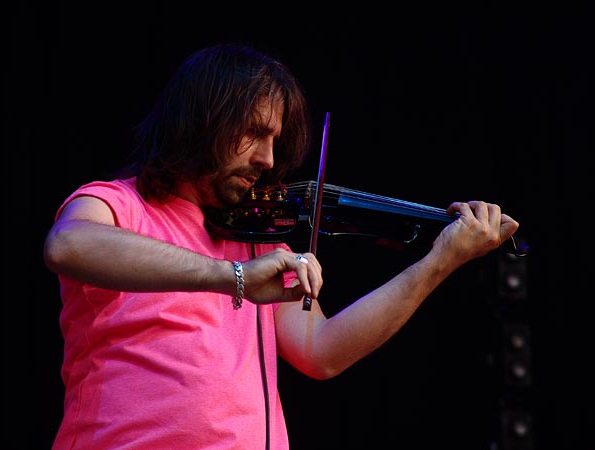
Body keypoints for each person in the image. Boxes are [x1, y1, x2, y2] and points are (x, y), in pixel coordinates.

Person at [43, 43, 520, 450]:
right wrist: (231, 277)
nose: (267, 159)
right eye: (253, 131)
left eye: (274, 140)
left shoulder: (256, 240)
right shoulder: (117, 204)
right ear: (202, 120)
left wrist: (440, 261)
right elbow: (68, 245)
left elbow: (321, 350)